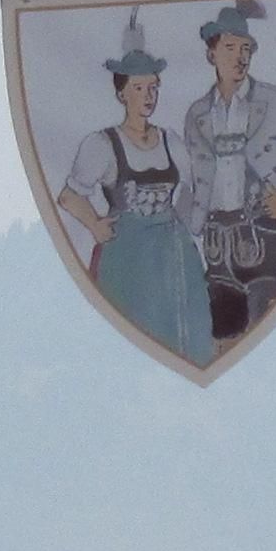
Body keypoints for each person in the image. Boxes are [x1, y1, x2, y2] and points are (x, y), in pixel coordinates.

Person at [53, 22, 215, 366]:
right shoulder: (103, 144)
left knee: (182, 332)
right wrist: (96, 225)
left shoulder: (170, 141)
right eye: (139, 88)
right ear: (122, 93)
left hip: (172, 256)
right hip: (128, 255)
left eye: (153, 88)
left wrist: (184, 228)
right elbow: (69, 196)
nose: (148, 96)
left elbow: (191, 189)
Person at [174, 0, 276, 344]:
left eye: (246, 48)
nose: (240, 57)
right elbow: (192, 180)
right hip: (216, 246)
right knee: (222, 342)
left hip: (267, 239)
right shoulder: (196, 114)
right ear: (211, 53)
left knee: (268, 342)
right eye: (230, 47)